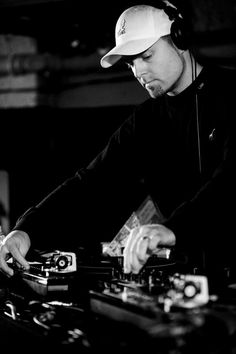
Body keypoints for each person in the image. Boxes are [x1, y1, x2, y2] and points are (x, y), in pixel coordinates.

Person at [0, 1, 235, 279]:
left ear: (179, 39)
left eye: (146, 56)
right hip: (195, 283)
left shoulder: (231, 95)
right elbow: (89, 182)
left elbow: (230, 179)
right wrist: (26, 230)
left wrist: (175, 229)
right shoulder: (146, 120)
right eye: (131, 62)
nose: (138, 71)